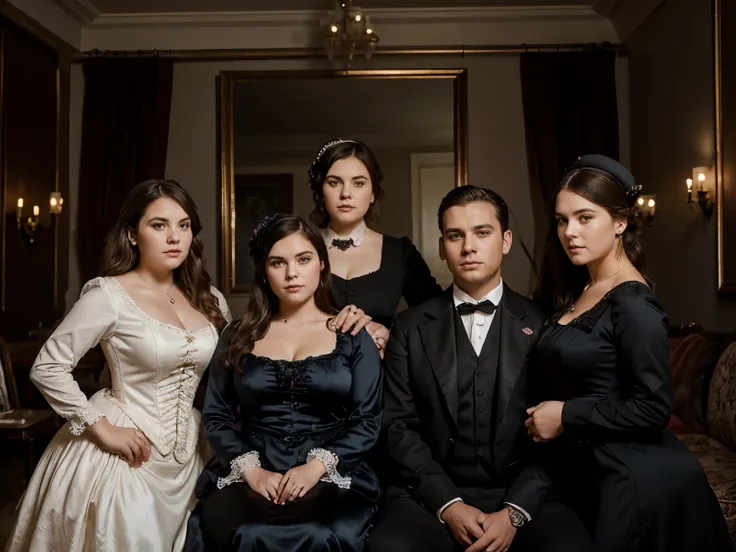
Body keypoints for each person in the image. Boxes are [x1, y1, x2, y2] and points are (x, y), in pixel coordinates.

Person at [5, 179, 231, 552]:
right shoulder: (109, 295)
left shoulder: (210, 300)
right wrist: (101, 428)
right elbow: (47, 366)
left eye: (184, 225)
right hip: (123, 447)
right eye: (159, 225)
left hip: (192, 450)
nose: (174, 236)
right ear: (132, 235)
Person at [368, 186, 592, 552]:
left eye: (482, 233)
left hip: (520, 492)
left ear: (505, 241)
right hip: (431, 496)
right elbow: (397, 426)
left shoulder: (545, 325)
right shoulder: (408, 328)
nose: (468, 247)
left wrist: (515, 512)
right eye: (455, 236)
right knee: (388, 547)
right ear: (442, 246)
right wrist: (449, 505)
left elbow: (560, 431)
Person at [528, 154, 731, 552]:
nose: (570, 231)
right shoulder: (583, 288)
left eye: (585, 218)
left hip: (635, 478)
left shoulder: (634, 301)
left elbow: (653, 409)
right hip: (591, 470)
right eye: (561, 219)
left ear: (620, 222)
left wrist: (566, 414)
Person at [188, 214, 383, 552]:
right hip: (251, 469)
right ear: (264, 269)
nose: (292, 273)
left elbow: (367, 420)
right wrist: (251, 471)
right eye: (278, 262)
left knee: (320, 532)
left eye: (303, 259)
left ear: (322, 264)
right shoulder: (237, 336)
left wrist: (315, 468)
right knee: (249, 531)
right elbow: (216, 416)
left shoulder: (352, 335)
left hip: (332, 472)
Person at [308, 138, 442, 357]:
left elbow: (437, 317)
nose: (346, 193)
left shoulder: (399, 253)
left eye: (358, 183)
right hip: (312, 382)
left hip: (381, 382)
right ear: (321, 191)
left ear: (372, 194)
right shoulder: (299, 249)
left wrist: (392, 336)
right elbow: (277, 320)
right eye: (334, 182)